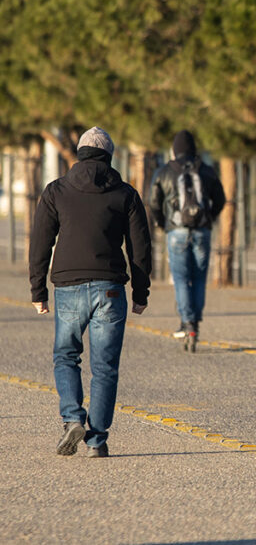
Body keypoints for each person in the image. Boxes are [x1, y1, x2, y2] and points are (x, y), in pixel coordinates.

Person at [29, 127, 152, 458]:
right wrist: (141, 292)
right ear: (109, 157)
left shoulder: (57, 191)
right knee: (105, 366)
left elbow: (41, 241)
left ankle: (72, 417)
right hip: (110, 288)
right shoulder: (125, 194)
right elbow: (140, 247)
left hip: (68, 286)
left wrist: (37, 289)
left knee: (66, 355)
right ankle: (96, 440)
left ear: (80, 154)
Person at [148, 130, 226, 345]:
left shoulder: (165, 171)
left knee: (181, 278)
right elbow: (220, 199)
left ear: (174, 150)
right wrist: (209, 217)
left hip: (177, 230)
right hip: (202, 229)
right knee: (199, 278)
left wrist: (163, 224)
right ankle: (195, 324)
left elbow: (154, 201)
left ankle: (187, 321)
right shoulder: (206, 170)